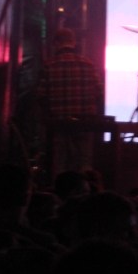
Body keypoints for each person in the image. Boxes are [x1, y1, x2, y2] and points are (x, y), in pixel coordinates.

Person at [37, 27, 103, 173]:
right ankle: (84, 185)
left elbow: (41, 96)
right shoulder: (88, 64)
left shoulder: (49, 65)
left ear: (55, 43)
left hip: (58, 123)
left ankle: (61, 186)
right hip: (85, 122)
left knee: (59, 163)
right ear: (74, 42)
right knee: (84, 162)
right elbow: (98, 92)